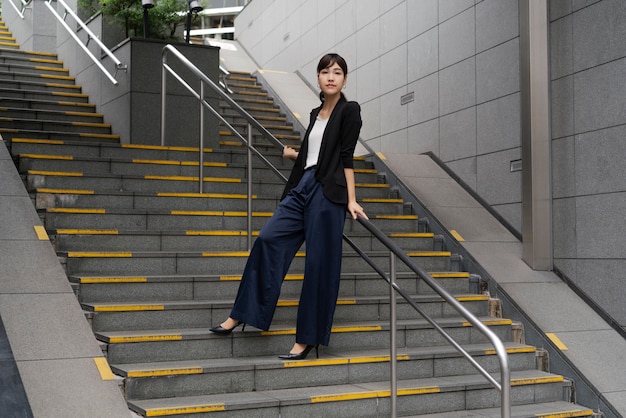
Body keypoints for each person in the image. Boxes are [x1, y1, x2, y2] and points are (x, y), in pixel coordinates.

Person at [210, 53, 367, 360]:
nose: (331, 77)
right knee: (268, 238)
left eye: (337, 72)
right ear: (318, 79)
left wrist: (351, 199)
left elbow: (345, 157)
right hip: (302, 187)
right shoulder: (315, 113)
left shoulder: (350, 111)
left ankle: (307, 339)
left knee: (318, 266)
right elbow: (317, 154)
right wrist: (297, 156)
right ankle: (244, 312)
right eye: (325, 72)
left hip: (327, 193)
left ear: (344, 79)